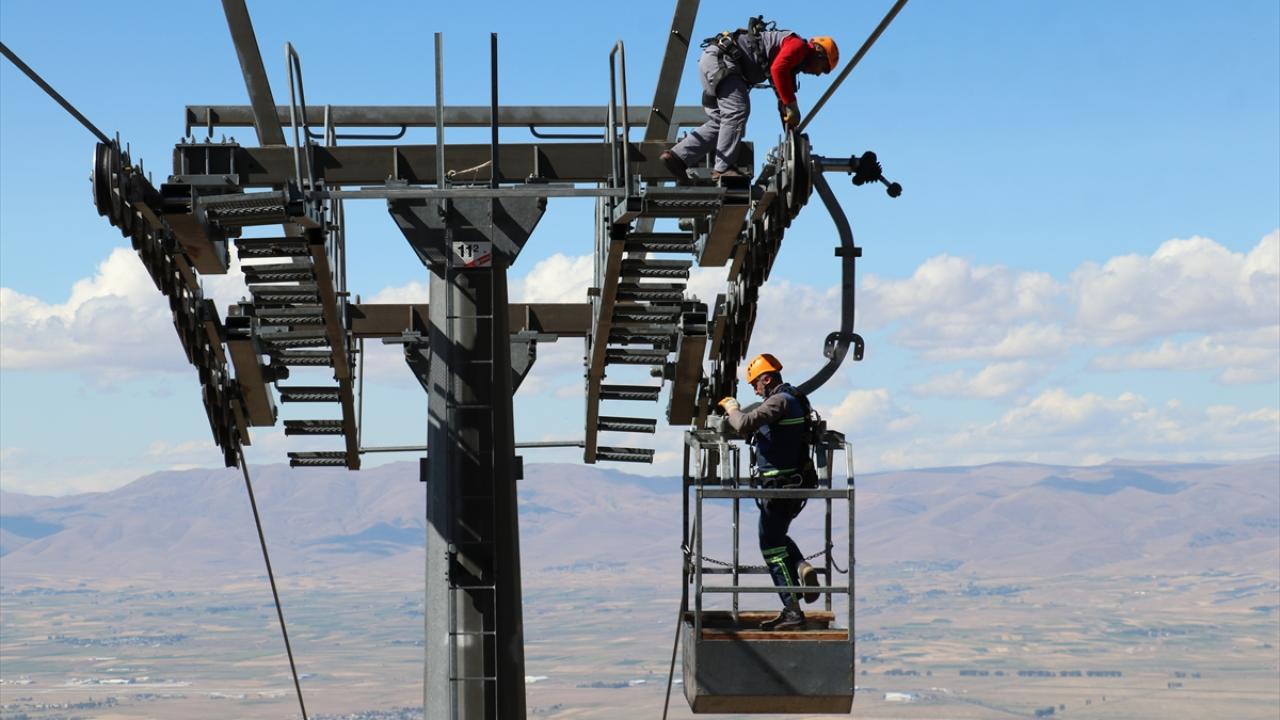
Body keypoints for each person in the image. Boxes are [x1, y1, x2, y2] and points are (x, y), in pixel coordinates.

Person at [718, 353, 821, 631]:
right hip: (793, 484)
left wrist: (732, 408)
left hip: (779, 487)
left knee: (770, 546)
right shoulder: (795, 399)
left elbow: (744, 423)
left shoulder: (779, 401)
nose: (755, 390)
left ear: (766, 379)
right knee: (777, 536)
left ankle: (792, 611)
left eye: (755, 384)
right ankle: (802, 567)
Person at [661, 26, 839, 183]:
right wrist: (792, 105)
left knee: (722, 123)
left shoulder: (792, 65)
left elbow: (783, 98)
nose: (819, 74)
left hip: (714, 62)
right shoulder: (798, 46)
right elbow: (778, 70)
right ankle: (723, 169)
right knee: (737, 111)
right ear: (818, 52)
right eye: (823, 68)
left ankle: (677, 157)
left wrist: (792, 132)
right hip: (723, 61)